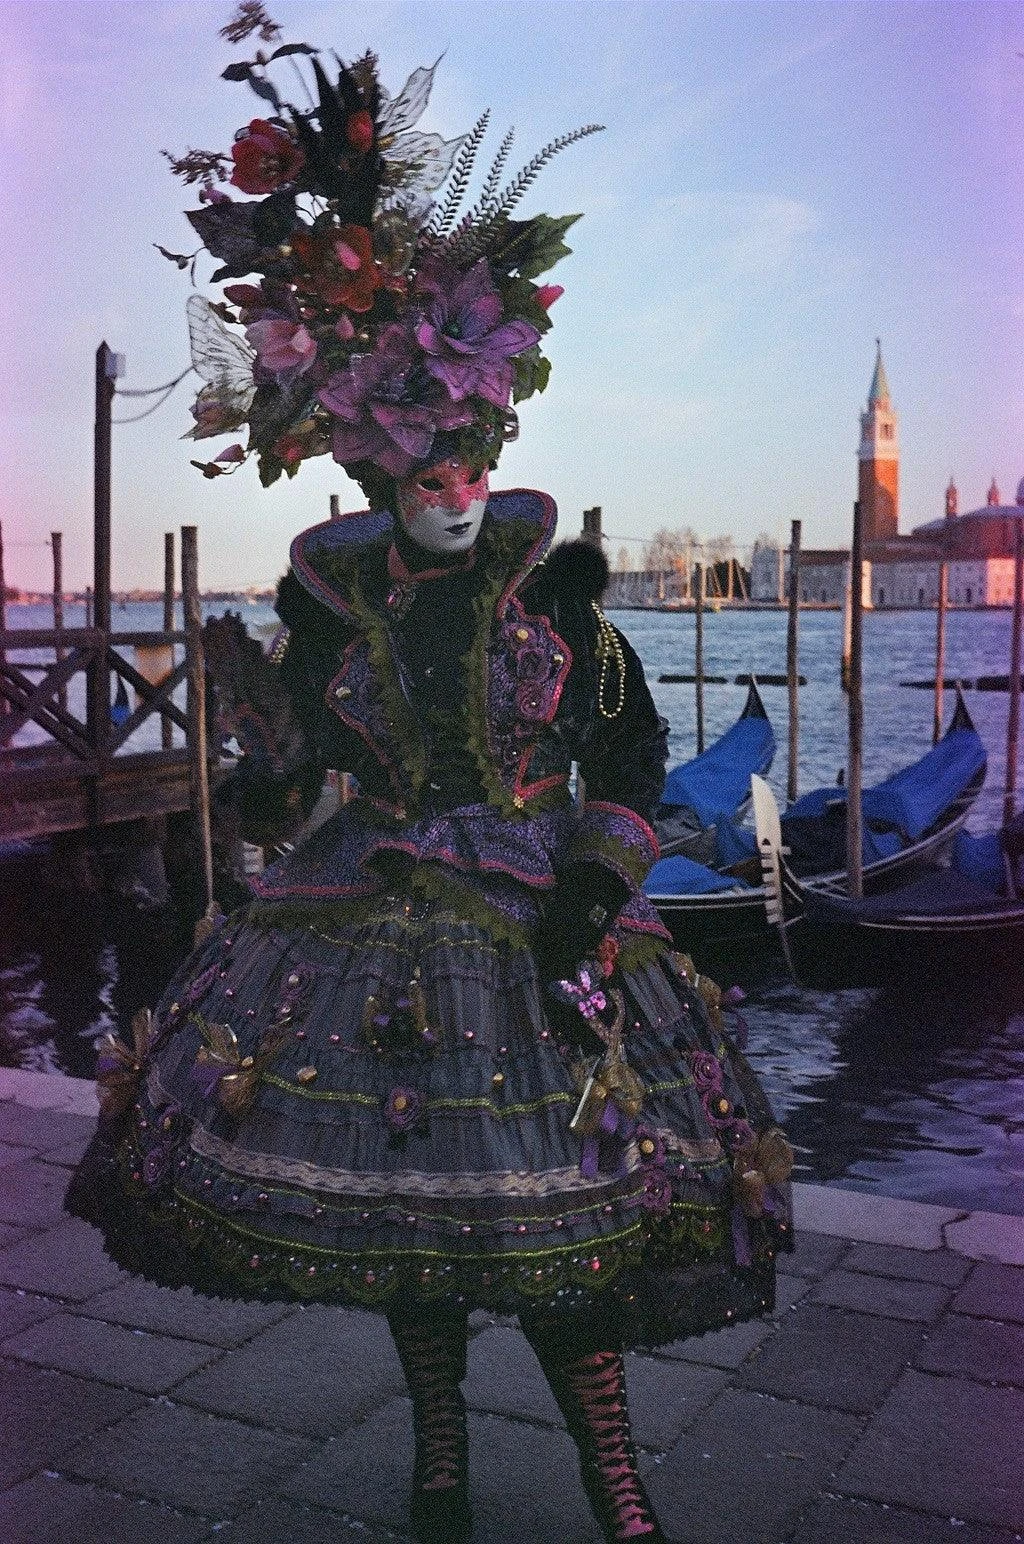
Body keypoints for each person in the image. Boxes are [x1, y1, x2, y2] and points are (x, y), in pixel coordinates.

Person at [67, 16, 792, 1541]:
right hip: (373, 918)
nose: (455, 499)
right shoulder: (339, 613)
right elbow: (310, 771)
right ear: (378, 475)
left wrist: (594, 881)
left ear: (495, 456)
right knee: (412, 1232)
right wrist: (267, 773)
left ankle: (616, 1484)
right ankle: (440, 1460)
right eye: (426, 478)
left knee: (566, 1226)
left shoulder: (566, 610)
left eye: (472, 473)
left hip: (542, 931)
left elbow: (632, 752)